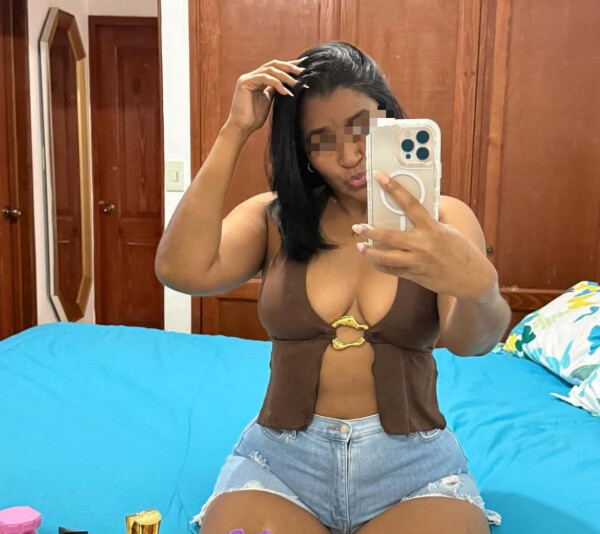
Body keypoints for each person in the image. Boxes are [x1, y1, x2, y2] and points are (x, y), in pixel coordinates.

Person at [155, 41, 509, 534]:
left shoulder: (443, 220)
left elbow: (472, 343)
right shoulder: (275, 218)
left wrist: (481, 290)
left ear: (388, 117)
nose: (348, 156)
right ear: (302, 152)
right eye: (321, 141)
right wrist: (235, 129)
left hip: (412, 468)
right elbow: (180, 270)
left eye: (361, 129)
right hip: (281, 464)